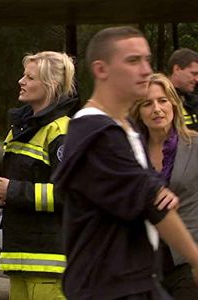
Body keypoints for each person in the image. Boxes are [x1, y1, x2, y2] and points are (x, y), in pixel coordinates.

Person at [53, 26, 198, 300]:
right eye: (133, 61)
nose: (145, 70)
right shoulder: (95, 131)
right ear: (101, 69)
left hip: (137, 281)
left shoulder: (125, 130)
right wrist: (196, 259)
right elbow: (151, 202)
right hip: (108, 286)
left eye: (147, 60)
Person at [0, 51, 77, 300]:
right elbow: (12, 182)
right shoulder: (20, 130)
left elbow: (69, 193)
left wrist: (11, 190)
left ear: (51, 85)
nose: (21, 81)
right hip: (19, 257)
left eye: (30, 77)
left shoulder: (62, 131)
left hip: (50, 262)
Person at [130, 73, 198, 299]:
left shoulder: (195, 145)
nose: (157, 109)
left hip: (187, 264)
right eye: (147, 103)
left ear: (174, 105)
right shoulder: (131, 154)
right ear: (138, 111)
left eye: (162, 101)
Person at [168, 48, 198, 131]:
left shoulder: (193, 101)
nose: (197, 79)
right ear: (177, 69)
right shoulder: (158, 100)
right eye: (194, 74)